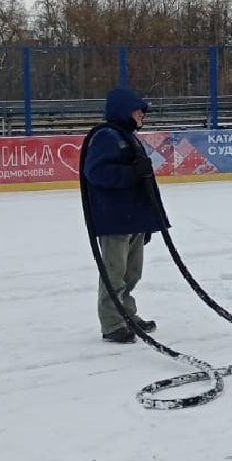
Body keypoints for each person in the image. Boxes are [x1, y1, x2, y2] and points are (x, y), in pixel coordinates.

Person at [80, 87, 170, 343]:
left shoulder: (127, 136)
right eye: (137, 109)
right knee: (114, 272)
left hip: (133, 218)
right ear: (123, 109)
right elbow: (96, 172)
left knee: (132, 273)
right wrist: (131, 172)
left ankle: (127, 313)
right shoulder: (107, 137)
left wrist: (149, 221)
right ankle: (112, 323)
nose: (142, 114)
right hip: (115, 219)